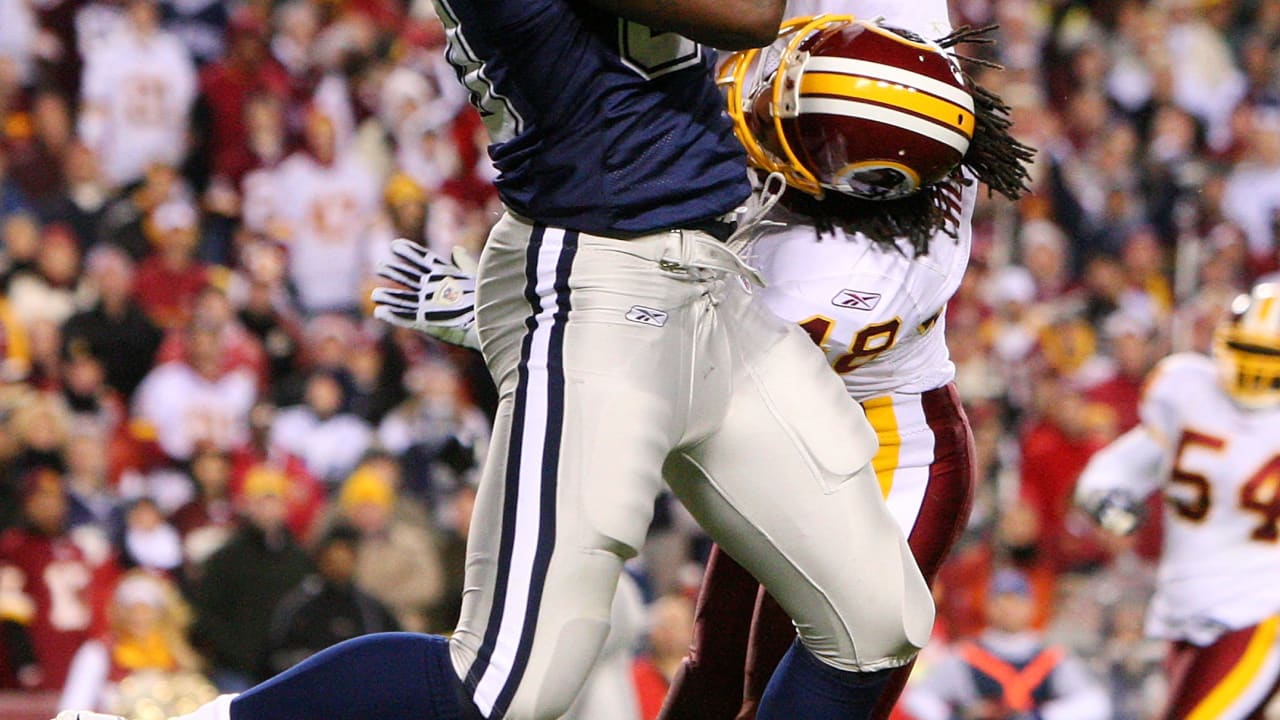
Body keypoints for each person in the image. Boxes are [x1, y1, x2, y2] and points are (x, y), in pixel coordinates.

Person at [55, 4, 937, 720]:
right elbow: (746, 14)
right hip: (600, 280)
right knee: (508, 684)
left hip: (710, 284)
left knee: (877, 620)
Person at [375, 5, 1034, 719]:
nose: (755, 89)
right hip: (756, 380)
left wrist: (491, 317)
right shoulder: (893, 57)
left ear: (824, 178)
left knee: (819, 658)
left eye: (785, 104)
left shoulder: (839, 279)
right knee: (713, 671)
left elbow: (663, 351)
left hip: (882, 443)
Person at [1076, 281, 1280, 720]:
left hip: (1261, 609)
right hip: (1183, 608)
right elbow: (1118, 467)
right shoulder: (1189, 391)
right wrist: (1108, 500)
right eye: (1248, 350)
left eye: (1270, 357)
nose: (1254, 369)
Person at [899, 568, 1111, 720]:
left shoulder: (1051, 657)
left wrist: (1040, 715)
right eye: (1001, 601)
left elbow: (1094, 704)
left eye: (1015, 601)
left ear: (1031, 606)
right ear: (988, 605)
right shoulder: (965, 656)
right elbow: (919, 698)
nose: (1008, 609)